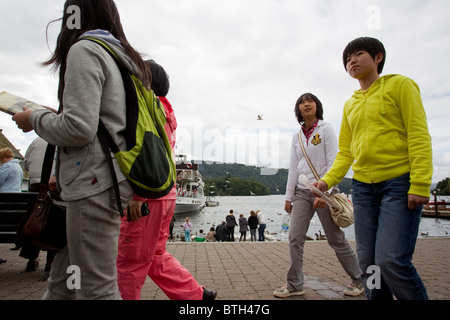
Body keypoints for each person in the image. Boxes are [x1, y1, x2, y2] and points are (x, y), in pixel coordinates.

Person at [12, 0, 148, 299]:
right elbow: (99, 122)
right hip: (106, 179)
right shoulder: (123, 57)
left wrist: (34, 119)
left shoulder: (85, 50)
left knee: (95, 289)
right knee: (64, 281)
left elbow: (78, 129)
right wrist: (54, 116)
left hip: (94, 182)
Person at [314, 37, 432, 300]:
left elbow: (418, 135)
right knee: (369, 265)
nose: (351, 61)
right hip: (363, 189)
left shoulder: (400, 85)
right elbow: (346, 152)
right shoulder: (350, 104)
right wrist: (326, 181)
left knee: (391, 260)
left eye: (358, 54)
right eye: (347, 59)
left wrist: (421, 183)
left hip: (399, 183)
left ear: (378, 57)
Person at [115, 59, 215, 300]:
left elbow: (144, 153)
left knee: (131, 262)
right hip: (166, 194)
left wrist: (138, 195)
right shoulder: (166, 112)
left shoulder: (145, 108)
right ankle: (196, 296)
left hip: (146, 195)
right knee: (154, 254)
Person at [273, 93, 363, 299]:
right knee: (295, 237)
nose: (306, 104)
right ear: (298, 109)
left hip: (324, 191)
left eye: (310, 101)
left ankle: (359, 279)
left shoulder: (326, 129)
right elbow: (294, 169)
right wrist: (288, 197)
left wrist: (327, 191)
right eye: (302, 102)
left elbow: (334, 161)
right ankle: (295, 284)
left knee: (335, 239)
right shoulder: (296, 137)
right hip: (301, 193)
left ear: (317, 106)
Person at [19, 137, 57, 272]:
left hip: (36, 183)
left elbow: (26, 164)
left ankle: (32, 257)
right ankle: (51, 261)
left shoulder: (36, 140)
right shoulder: (62, 135)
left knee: (35, 217)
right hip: (55, 183)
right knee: (54, 219)